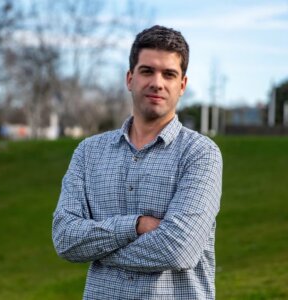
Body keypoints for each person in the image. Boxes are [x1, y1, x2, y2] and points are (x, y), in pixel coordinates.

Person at [52, 25, 222, 300]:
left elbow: (179, 248)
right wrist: (136, 225)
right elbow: (65, 238)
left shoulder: (200, 153)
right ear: (130, 79)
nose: (157, 82)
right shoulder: (88, 152)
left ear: (182, 85)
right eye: (147, 71)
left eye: (169, 74)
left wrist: (99, 248)